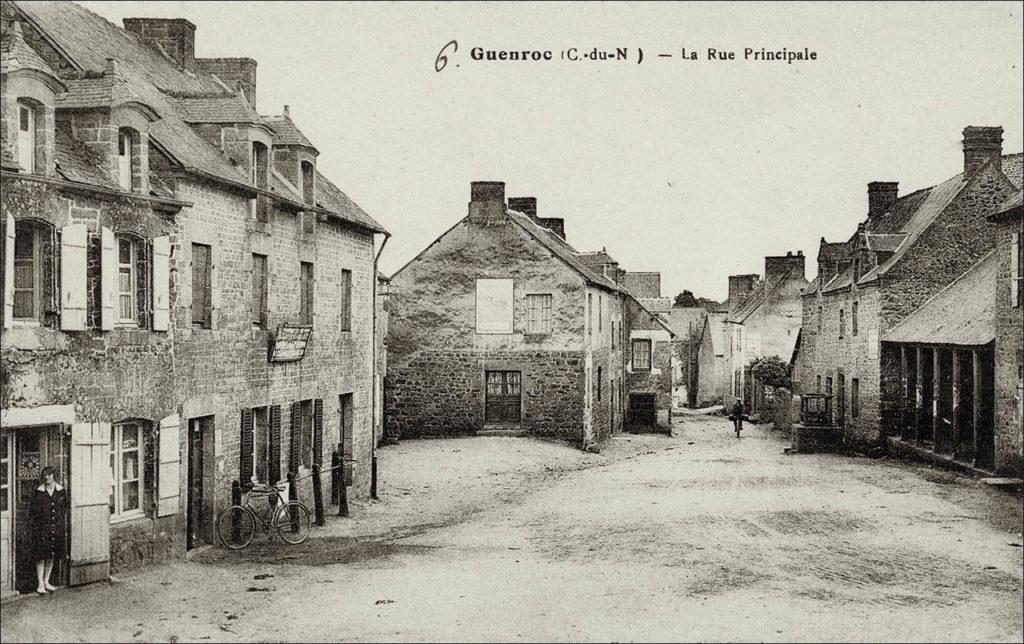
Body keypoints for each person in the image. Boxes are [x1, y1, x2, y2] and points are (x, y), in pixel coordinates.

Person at [32, 465, 67, 595]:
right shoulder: (39, 492)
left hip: (56, 528)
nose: (46, 477)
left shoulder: (61, 491)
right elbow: (33, 511)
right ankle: (40, 583)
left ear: (54, 476)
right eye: (44, 475)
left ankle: (46, 581)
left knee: (51, 555)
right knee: (41, 555)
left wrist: (57, 523)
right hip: (42, 529)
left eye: (49, 475)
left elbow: (64, 508)